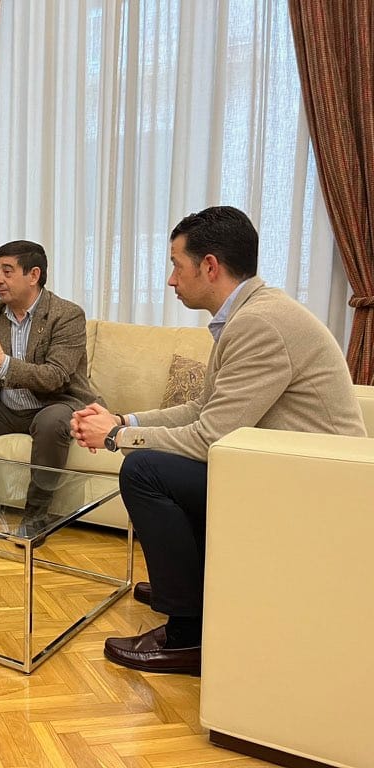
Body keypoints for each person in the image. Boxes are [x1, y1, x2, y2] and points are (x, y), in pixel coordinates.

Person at [70, 205, 365, 676]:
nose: (170, 280)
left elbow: (208, 436)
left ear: (210, 266)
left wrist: (118, 438)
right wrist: (125, 418)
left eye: (175, 265)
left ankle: (189, 634)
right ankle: (191, 587)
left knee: (145, 469)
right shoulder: (252, 313)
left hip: (317, 488)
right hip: (282, 468)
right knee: (157, 463)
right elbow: (204, 409)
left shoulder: (259, 323)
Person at [0, 240, 100, 521]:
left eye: (7, 271)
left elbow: (56, 377)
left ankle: (36, 514)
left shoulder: (67, 315)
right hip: (8, 407)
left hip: (55, 403)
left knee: (51, 422)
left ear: (33, 275)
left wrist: (3, 363)